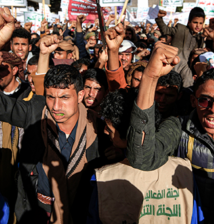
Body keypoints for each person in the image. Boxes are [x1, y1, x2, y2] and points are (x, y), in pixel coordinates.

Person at [0, 8, 108, 223]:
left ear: (81, 95)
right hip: (32, 212)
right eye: (50, 97)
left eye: (64, 98)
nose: (56, 106)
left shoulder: (99, 129)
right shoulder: (34, 111)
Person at [126, 40, 214, 223]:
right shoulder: (177, 129)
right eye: (205, 101)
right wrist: (150, 77)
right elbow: (142, 157)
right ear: (193, 101)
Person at [87, 89, 204, 224]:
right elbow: (195, 217)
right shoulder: (183, 171)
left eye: (109, 128)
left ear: (128, 132)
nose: (105, 131)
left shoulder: (103, 178)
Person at [156, 7, 205, 88]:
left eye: (200, 23)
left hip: (186, 67)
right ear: (189, 22)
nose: (198, 26)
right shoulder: (180, 29)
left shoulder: (200, 38)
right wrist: (159, 18)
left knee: (188, 85)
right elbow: (165, 30)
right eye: (195, 22)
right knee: (167, 85)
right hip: (173, 62)